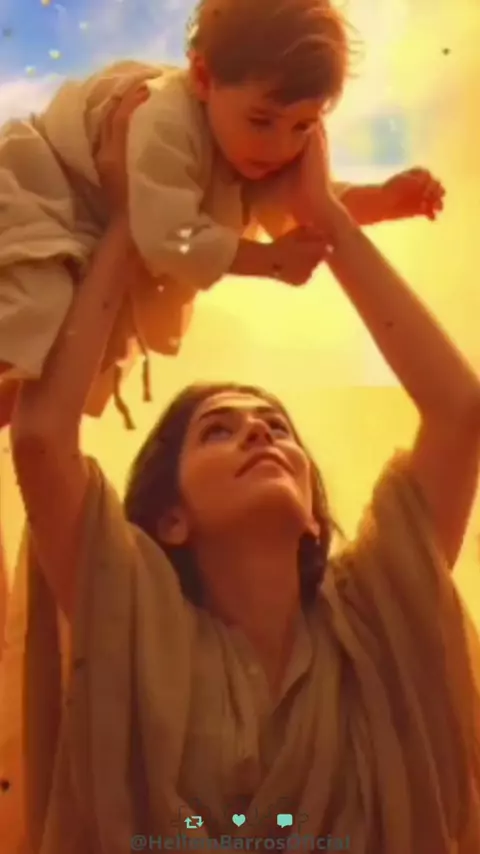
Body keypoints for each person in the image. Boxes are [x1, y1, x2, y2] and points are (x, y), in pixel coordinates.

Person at [1, 74, 479, 854]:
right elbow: (42, 439)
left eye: (277, 428)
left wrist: (325, 215)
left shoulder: (373, 616)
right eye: (219, 432)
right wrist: (128, 224)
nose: (260, 434)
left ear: (314, 512)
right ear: (170, 518)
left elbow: (459, 411)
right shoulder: (131, 615)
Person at [0, 0, 444, 430]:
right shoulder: (164, 118)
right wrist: (268, 261)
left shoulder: (251, 148)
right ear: (202, 78)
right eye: (261, 120)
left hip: (93, 238)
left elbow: (307, 202)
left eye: (302, 126)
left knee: (71, 364)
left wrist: (382, 201)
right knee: (36, 311)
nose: (280, 146)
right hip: (42, 192)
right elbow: (168, 236)